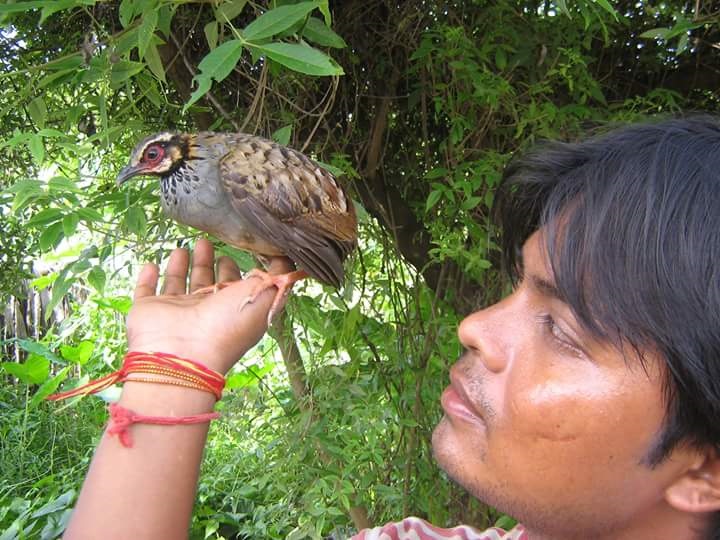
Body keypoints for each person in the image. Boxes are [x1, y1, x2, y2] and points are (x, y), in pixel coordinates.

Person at [61, 116, 720, 540]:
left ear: (707, 470)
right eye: (513, 287)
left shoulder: (238, 168)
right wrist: (171, 369)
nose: (473, 326)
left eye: (565, 329)